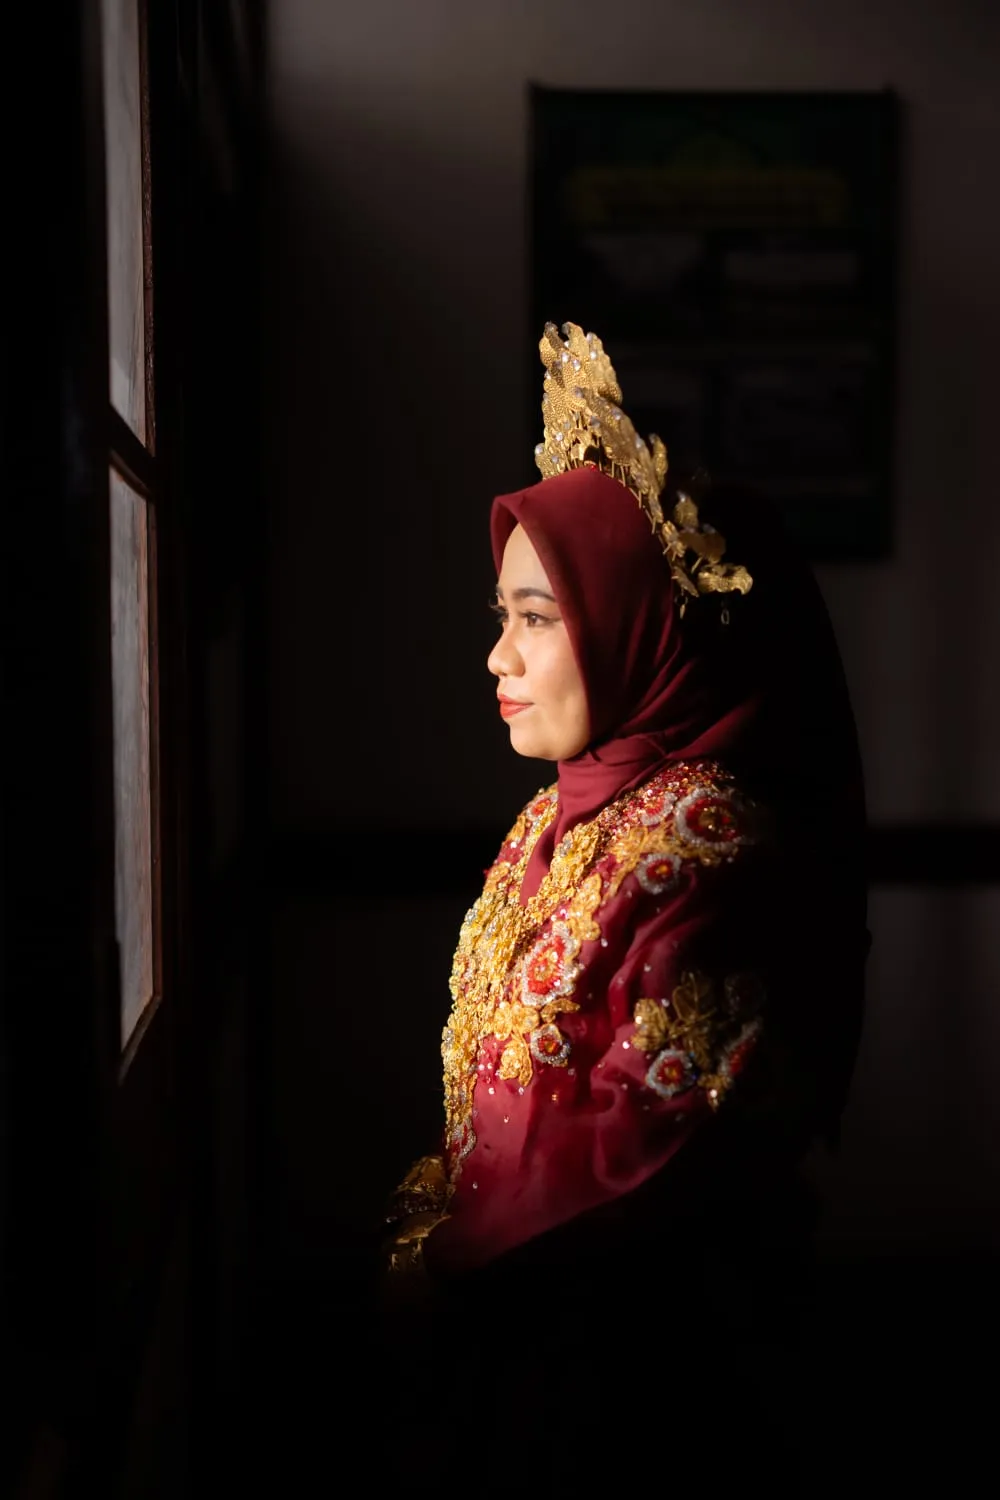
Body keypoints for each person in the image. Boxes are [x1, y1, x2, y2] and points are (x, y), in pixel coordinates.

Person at [379, 322, 868, 1492]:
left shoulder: (712, 847)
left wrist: (449, 1254)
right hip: (503, 1326)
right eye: (502, 616)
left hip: (636, 1363)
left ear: (636, 623)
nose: (497, 659)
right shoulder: (555, 818)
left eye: (535, 618)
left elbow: (652, 1151)